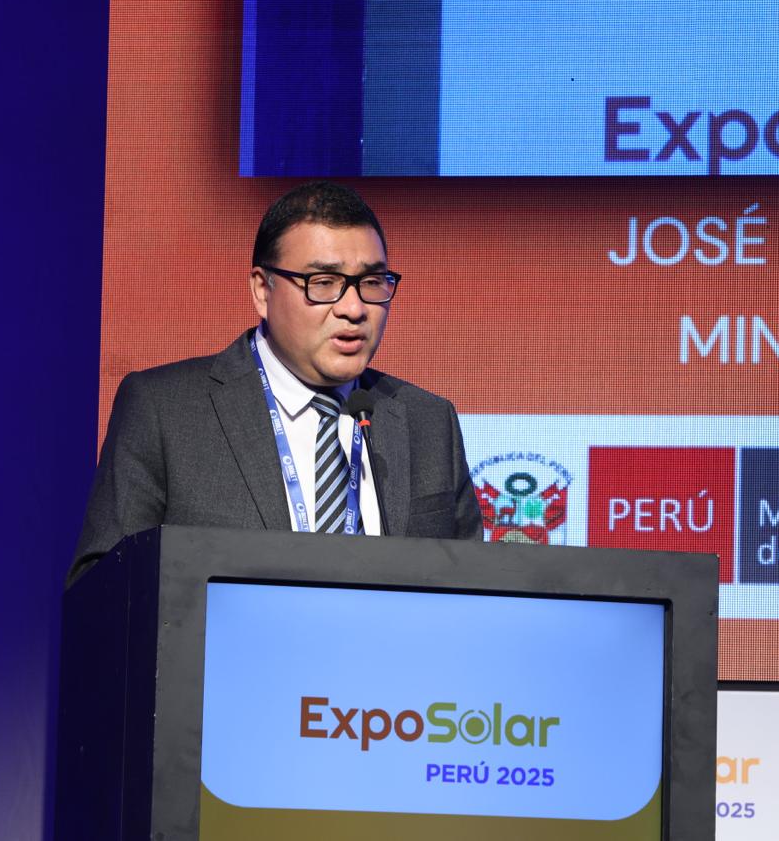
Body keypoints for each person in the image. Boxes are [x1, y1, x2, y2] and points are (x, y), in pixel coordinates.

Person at [67, 181, 482, 586]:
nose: (354, 309)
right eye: (324, 283)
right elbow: (104, 592)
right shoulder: (166, 411)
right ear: (262, 291)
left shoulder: (428, 421)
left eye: (372, 283)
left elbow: (474, 591)